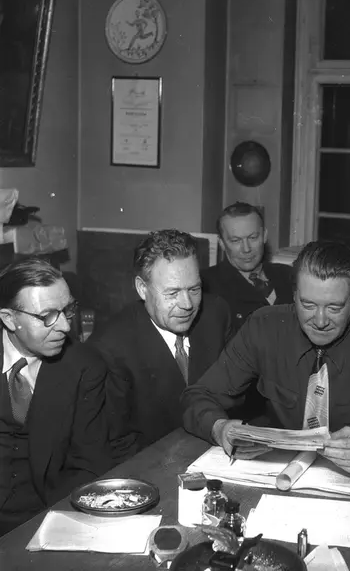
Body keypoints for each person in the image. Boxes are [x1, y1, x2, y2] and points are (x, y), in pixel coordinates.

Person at [182, 241, 350, 474]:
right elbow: (198, 396)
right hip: (276, 477)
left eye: (334, 308)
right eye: (308, 305)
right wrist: (220, 428)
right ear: (294, 295)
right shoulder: (263, 328)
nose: (320, 321)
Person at [89, 229, 232, 462]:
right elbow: (118, 445)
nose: (187, 304)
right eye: (173, 293)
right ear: (142, 289)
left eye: (194, 289)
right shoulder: (110, 348)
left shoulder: (216, 314)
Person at [0, 258, 111, 537]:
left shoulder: (85, 366)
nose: (64, 326)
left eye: (67, 311)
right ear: (9, 319)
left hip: (44, 516)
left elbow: (89, 463)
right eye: (47, 316)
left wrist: (51, 526)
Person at [201, 202, 293, 334]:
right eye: (236, 241)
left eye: (253, 238)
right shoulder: (206, 286)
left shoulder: (289, 276)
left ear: (265, 235)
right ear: (222, 243)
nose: (246, 249)